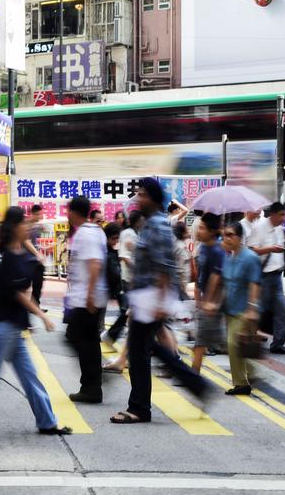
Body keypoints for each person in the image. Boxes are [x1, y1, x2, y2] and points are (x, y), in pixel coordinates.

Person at [0, 207, 71, 437]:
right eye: (24, 224)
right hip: (5, 327)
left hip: (14, 328)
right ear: (15, 227)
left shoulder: (17, 254)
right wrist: (42, 315)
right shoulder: (8, 258)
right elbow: (18, 294)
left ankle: (47, 422)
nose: (28, 228)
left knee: (29, 376)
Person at [110, 178, 209, 424]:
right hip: (146, 297)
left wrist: (158, 303)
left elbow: (165, 267)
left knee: (139, 353)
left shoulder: (158, 226)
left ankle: (140, 408)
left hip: (152, 298)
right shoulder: (150, 225)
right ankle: (196, 385)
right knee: (148, 349)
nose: (138, 198)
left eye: (141, 194)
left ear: (153, 198)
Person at [64, 196, 108, 405]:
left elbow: (94, 264)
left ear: (73, 212)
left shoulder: (85, 234)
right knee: (88, 341)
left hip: (87, 299)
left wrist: (90, 295)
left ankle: (92, 387)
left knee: (79, 339)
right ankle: (92, 385)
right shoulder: (95, 231)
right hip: (90, 297)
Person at [220, 222, 260, 395]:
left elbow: (255, 284)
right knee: (234, 346)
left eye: (230, 235)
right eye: (225, 235)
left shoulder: (250, 257)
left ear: (239, 237)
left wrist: (252, 308)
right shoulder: (229, 258)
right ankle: (243, 381)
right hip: (230, 308)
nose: (227, 238)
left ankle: (248, 377)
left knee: (233, 344)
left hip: (244, 310)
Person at [248, 202, 285, 355]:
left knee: (281, 311)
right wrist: (270, 249)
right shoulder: (259, 228)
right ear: (272, 214)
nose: (284, 218)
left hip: (277, 276)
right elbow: (252, 251)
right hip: (263, 277)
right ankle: (249, 337)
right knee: (259, 310)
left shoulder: (280, 229)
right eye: (281, 214)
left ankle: (278, 344)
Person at [103, 210, 144, 348]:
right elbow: (124, 256)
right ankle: (111, 336)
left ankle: (112, 336)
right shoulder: (127, 234)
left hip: (130, 278)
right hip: (126, 278)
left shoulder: (135, 233)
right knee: (127, 310)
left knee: (128, 311)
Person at [191, 213, 225, 373]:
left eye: (202, 228)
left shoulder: (218, 250)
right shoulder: (203, 247)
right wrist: (198, 295)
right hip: (206, 301)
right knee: (213, 340)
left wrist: (209, 302)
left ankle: (193, 376)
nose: (198, 231)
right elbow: (202, 273)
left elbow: (216, 277)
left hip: (214, 303)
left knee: (201, 340)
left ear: (212, 231)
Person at [25, 205, 46, 308]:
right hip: (27, 260)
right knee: (24, 285)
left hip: (35, 260)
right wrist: (37, 254)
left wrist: (42, 248)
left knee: (38, 283)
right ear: (32, 214)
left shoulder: (37, 226)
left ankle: (35, 305)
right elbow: (27, 242)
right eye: (38, 214)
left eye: (41, 214)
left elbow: (34, 243)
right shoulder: (27, 225)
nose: (40, 216)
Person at [173, 222, 192, 301]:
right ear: (183, 233)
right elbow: (180, 268)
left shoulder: (178, 244)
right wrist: (182, 285)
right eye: (187, 230)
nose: (189, 231)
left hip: (180, 281)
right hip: (181, 281)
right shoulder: (181, 247)